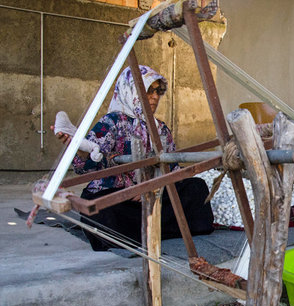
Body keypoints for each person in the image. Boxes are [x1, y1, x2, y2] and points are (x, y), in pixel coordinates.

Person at [56, 65, 214, 251]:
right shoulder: (112, 122)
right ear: (130, 90)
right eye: (149, 90)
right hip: (120, 197)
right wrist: (80, 150)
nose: (155, 96)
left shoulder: (160, 129)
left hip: (153, 196)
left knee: (197, 188)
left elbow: (172, 169)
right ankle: (156, 230)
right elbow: (88, 164)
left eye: (158, 91)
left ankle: (145, 231)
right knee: (100, 211)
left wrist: (153, 187)